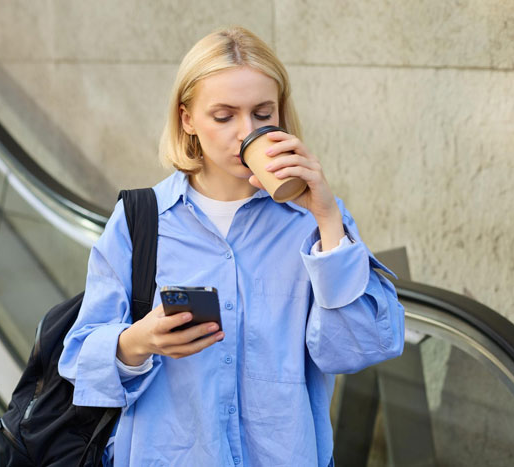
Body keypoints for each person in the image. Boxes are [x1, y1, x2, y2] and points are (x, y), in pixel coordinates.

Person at [58, 25, 405, 466]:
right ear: (187, 119)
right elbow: (79, 359)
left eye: (263, 114)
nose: (246, 132)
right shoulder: (139, 221)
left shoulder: (314, 223)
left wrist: (328, 217)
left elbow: (359, 348)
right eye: (224, 116)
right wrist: (137, 342)